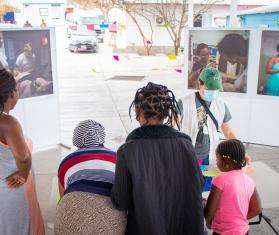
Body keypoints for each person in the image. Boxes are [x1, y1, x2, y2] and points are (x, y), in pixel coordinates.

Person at [111, 82, 204, 235]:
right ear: (167, 112)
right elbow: (197, 186)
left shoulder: (127, 151)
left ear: (137, 109)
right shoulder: (186, 145)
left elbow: (121, 201)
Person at [55, 120, 126, 235]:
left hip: (70, 215)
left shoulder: (67, 161)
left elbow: (63, 196)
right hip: (109, 220)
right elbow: (125, 195)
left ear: (76, 140)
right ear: (102, 138)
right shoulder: (117, 158)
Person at [0, 69, 45, 235]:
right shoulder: (7, 123)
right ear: (11, 93)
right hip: (13, 191)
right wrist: (23, 175)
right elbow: (23, 157)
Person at [179, 67, 236, 166]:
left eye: (216, 89)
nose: (213, 92)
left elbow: (229, 133)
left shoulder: (221, 106)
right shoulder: (184, 103)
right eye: (209, 88)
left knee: (207, 180)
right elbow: (172, 127)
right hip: (187, 156)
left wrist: (239, 151)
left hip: (210, 157)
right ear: (199, 84)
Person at [204, 139, 262, 234]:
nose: (216, 161)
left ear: (225, 162)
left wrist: (203, 204)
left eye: (217, 158)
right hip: (243, 231)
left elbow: (208, 214)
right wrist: (237, 220)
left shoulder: (220, 179)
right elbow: (257, 208)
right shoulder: (249, 180)